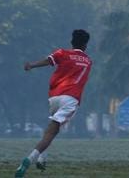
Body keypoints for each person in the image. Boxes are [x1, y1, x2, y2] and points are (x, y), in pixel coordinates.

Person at [15, 29, 93, 177]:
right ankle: (29, 159)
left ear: (71, 42)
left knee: (50, 130)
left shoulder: (62, 53)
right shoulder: (88, 61)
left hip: (54, 97)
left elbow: (48, 61)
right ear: (85, 45)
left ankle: (42, 159)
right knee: (51, 132)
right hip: (71, 99)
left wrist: (31, 65)